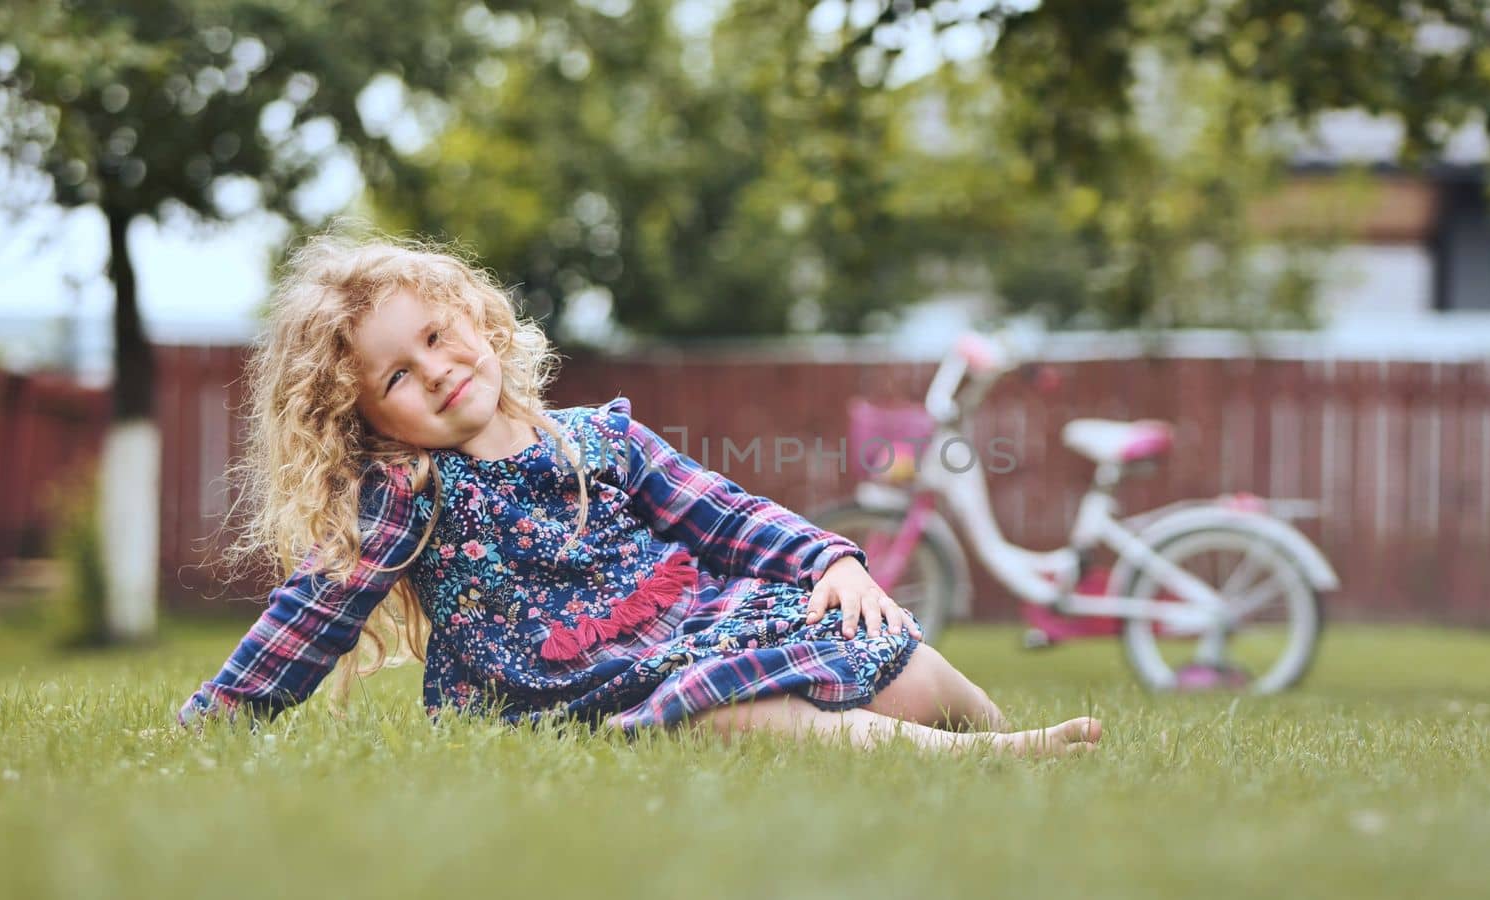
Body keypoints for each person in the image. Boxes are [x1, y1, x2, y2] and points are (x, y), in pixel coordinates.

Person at [177, 234, 1102, 757]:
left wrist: (833, 558)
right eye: (397, 376)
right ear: (371, 422)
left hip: (692, 623)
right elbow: (314, 612)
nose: (436, 369)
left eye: (435, 333)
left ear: (478, 319)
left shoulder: (603, 438)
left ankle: (995, 725)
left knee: (890, 645)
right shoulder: (405, 491)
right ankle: (989, 760)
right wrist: (216, 719)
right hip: (569, 681)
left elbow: (727, 516)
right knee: (745, 714)